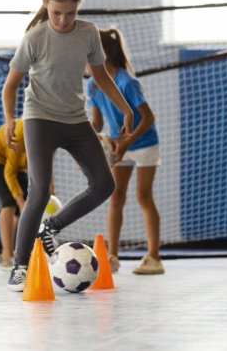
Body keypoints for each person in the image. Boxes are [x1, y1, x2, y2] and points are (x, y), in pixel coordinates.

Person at [2, 0, 134, 291]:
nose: (63, 19)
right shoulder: (35, 38)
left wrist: (125, 108)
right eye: (56, 12)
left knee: (104, 184)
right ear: (46, 5)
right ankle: (19, 265)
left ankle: (51, 228)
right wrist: (9, 120)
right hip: (39, 119)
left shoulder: (89, 34)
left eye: (70, 12)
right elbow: (11, 85)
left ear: (79, 7)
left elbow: (101, 78)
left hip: (75, 119)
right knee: (40, 190)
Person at [87, 28, 163, 275]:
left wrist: (126, 144)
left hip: (143, 143)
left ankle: (153, 257)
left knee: (143, 195)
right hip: (119, 144)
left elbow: (148, 117)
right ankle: (112, 256)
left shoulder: (127, 82)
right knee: (115, 197)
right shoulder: (92, 85)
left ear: (102, 54)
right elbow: (97, 124)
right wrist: (88, 140)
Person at [0, 119, 29, 270]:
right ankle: (6, 255)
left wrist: (50, 196)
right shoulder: (20, 134)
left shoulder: (47, 140)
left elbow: (46, 173)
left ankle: (18, 251)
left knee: (28, 204)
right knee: (9, 202)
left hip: (16, 164)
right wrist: (20, 200)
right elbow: (9, 172)